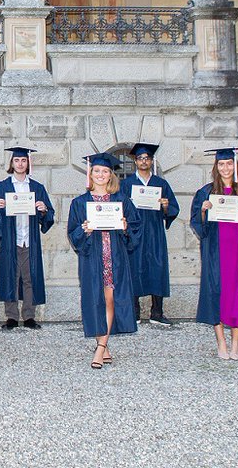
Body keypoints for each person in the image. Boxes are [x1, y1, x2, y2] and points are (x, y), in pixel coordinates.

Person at [190, 147, 238, 361]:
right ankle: (221, 342)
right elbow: (198, 224)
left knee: (237, 294)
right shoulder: (205, 192)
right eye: (222, 164)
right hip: (215, 251)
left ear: (235, 166)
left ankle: (235, 343)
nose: (226, 168)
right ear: (216, 167)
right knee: (217, 293)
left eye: (229, 164)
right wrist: (203, 211)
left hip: (237, 251)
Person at [67, 153, 141, 370]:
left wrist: (126, 227)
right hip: (93, 258)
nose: (101, 174)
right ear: (91, 174)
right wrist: (85, 231)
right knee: (96, 301)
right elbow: (73, 233)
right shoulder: (79, 203)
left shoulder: (121, 200)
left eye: (105, 171)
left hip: (114, 256)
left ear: (111, 175)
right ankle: (105, 344)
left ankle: (100, 348)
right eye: (97, 171)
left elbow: (136, 227)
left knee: (110, 300)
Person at [0, 146, 54, 331]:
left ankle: (28, 316)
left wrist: (43, 209)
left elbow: (49, 214)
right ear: (12, 163)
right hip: (10, 239)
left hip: (29, 239)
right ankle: (11, 317)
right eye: (17, 160)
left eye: (23, 160)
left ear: (28, 163)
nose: (20, 163)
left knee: (29, 278)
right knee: (10, 276)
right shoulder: (2, 187)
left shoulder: (36, 187)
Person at [119, 143, 179, 327]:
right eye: (140, 158)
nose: (144, 161)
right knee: (134, 268)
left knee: (157, 268)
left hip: (154, 232)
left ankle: (157, 312)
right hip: (135, 232)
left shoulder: (161, 184)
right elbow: (120, 207)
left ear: (151, 161)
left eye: (147, 158)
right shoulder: (127, 184)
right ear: (135, 161)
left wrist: (166, 206)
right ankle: (135, 312)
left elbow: (173, 209)